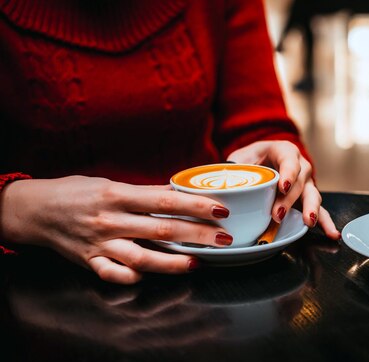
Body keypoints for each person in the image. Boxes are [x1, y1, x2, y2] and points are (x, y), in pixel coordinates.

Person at [0, 0, 341, 284]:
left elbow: (257, 126)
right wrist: (15, 207)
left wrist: (279, 172)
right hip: (38, 282)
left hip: (209, 273)